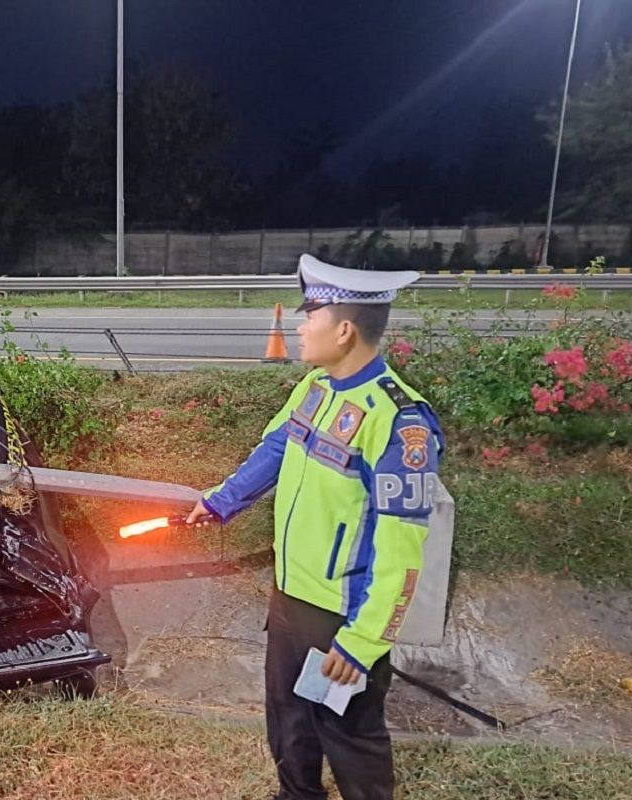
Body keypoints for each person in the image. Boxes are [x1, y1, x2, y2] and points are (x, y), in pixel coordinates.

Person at [186, 254, 443, 800]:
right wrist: (221, 503)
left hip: (342, 615)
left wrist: (360, 642)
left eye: (311, 316)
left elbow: (403, 550)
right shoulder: (316, 389)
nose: (299, 326)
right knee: (289, 721)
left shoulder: (398, 421)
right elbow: (275, 448)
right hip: (291, 597)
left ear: (345, 329)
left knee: (350, 737)